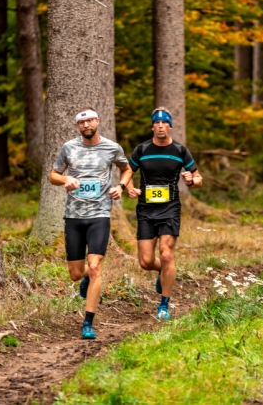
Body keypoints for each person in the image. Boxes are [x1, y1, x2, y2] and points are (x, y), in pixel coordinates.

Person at [50, 107, 133, 339]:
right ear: (78, 126)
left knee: (95, 266)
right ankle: (86, 278)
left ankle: (88, 322)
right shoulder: (69, 148)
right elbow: (53, 175)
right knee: (76, 274)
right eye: (81, 122)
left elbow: (126, 170)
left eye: (89, 121)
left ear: (98, 121)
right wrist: (65, 179)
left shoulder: (111, 148)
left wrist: (121, 187)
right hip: (74, 216)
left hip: (100, 214)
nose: (86, 125)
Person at [127, 107, 202, 320]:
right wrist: (130, 188)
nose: (160, 126)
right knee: (146, 262)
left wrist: (191, 181)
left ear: (170, 125)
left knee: (167, 254)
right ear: (152, 126)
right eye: (157, 123)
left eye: (164, 123)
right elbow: (127, 172)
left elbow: (198, 178)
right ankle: (164, 271)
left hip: (170, 209)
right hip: (146, 210)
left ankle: (164, 305)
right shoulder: (142, 150)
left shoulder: (180, 151)